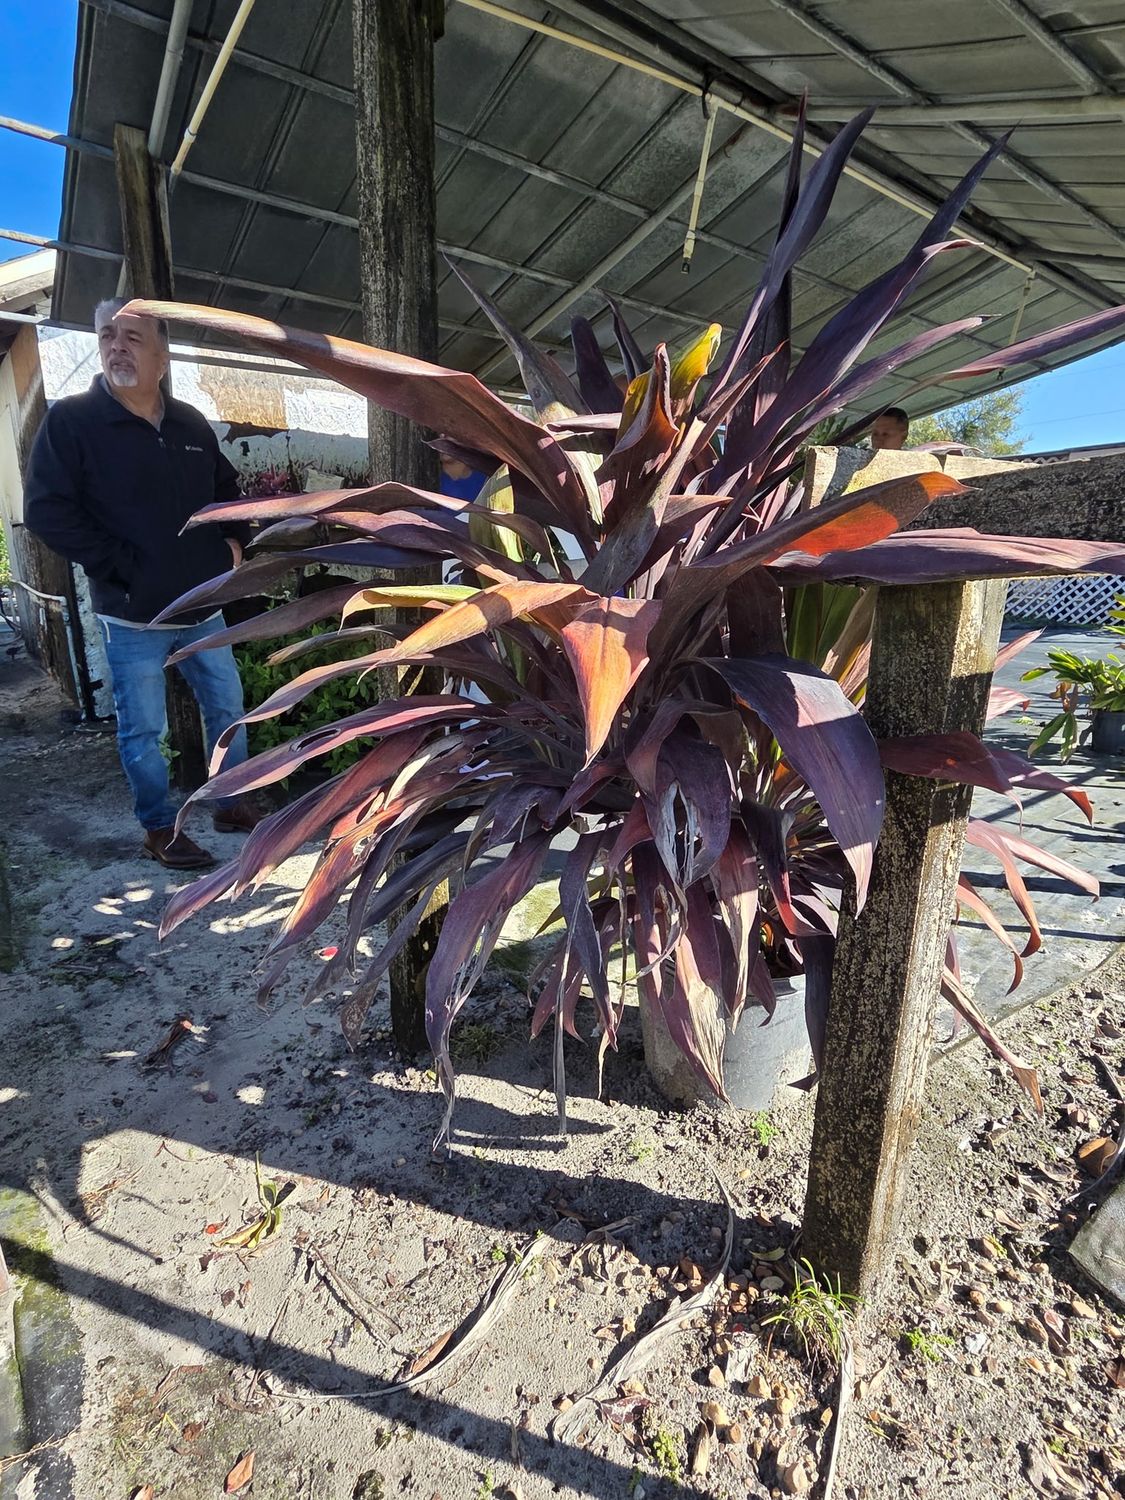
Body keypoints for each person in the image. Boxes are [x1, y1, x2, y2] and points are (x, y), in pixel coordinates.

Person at [24, 299, 261, 870]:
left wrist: (233, 546)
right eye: (107, 335)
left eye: (132, 337)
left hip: (203, 607)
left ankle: (230, 803)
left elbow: (227, 492)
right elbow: (47, 512)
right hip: (132, 614)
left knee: (228, 709)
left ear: (162, 355)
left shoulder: (189, 424)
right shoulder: (72, 422)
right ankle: (158, 828)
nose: (116, 347)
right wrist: (123, 567)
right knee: (143, 729)